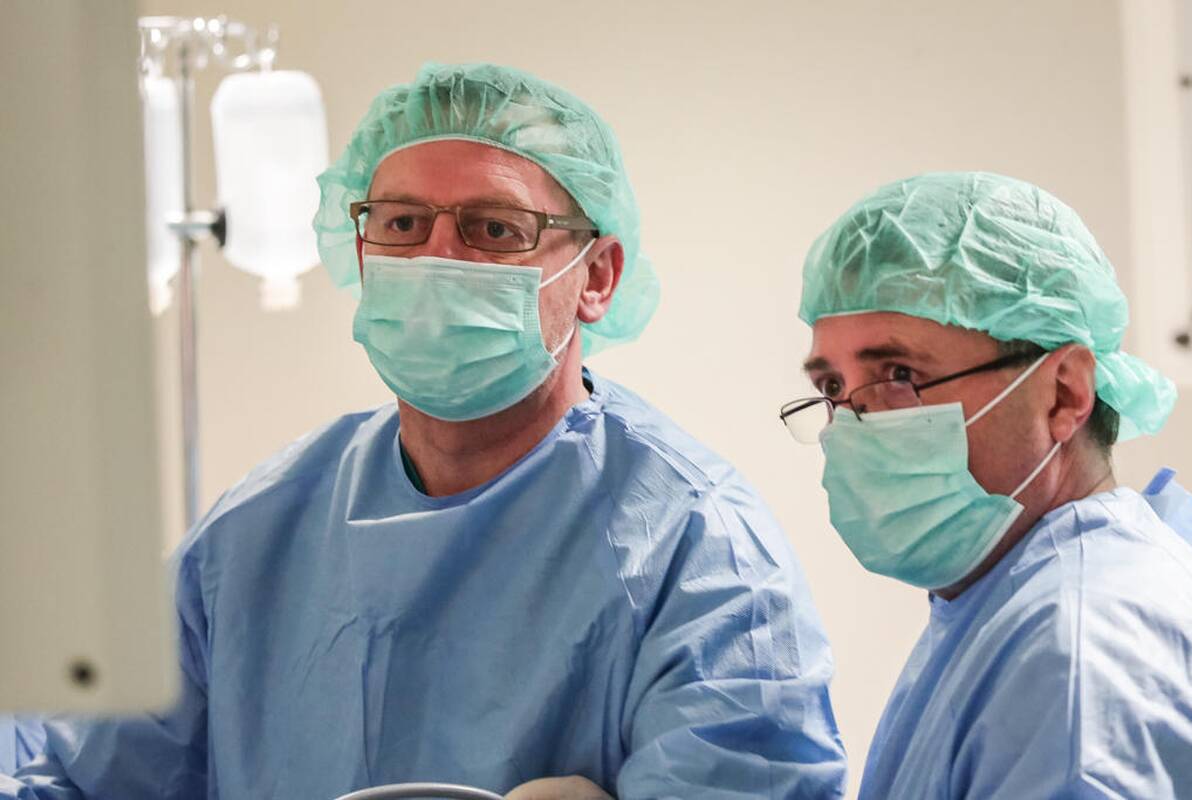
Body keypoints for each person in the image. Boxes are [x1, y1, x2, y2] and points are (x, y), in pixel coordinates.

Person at [2, 62, 846, 799]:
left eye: (494, 229)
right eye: (401, 224)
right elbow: (82, 778)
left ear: (596, 275)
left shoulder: (696, 550)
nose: (438, 258)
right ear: (360, 250)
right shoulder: (258, 531)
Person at [780, 171, 1192, 797]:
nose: (857, 423)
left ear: (1064, 394)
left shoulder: (1079, 655)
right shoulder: (1005, 603)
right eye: (833, 387)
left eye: (899, 374)